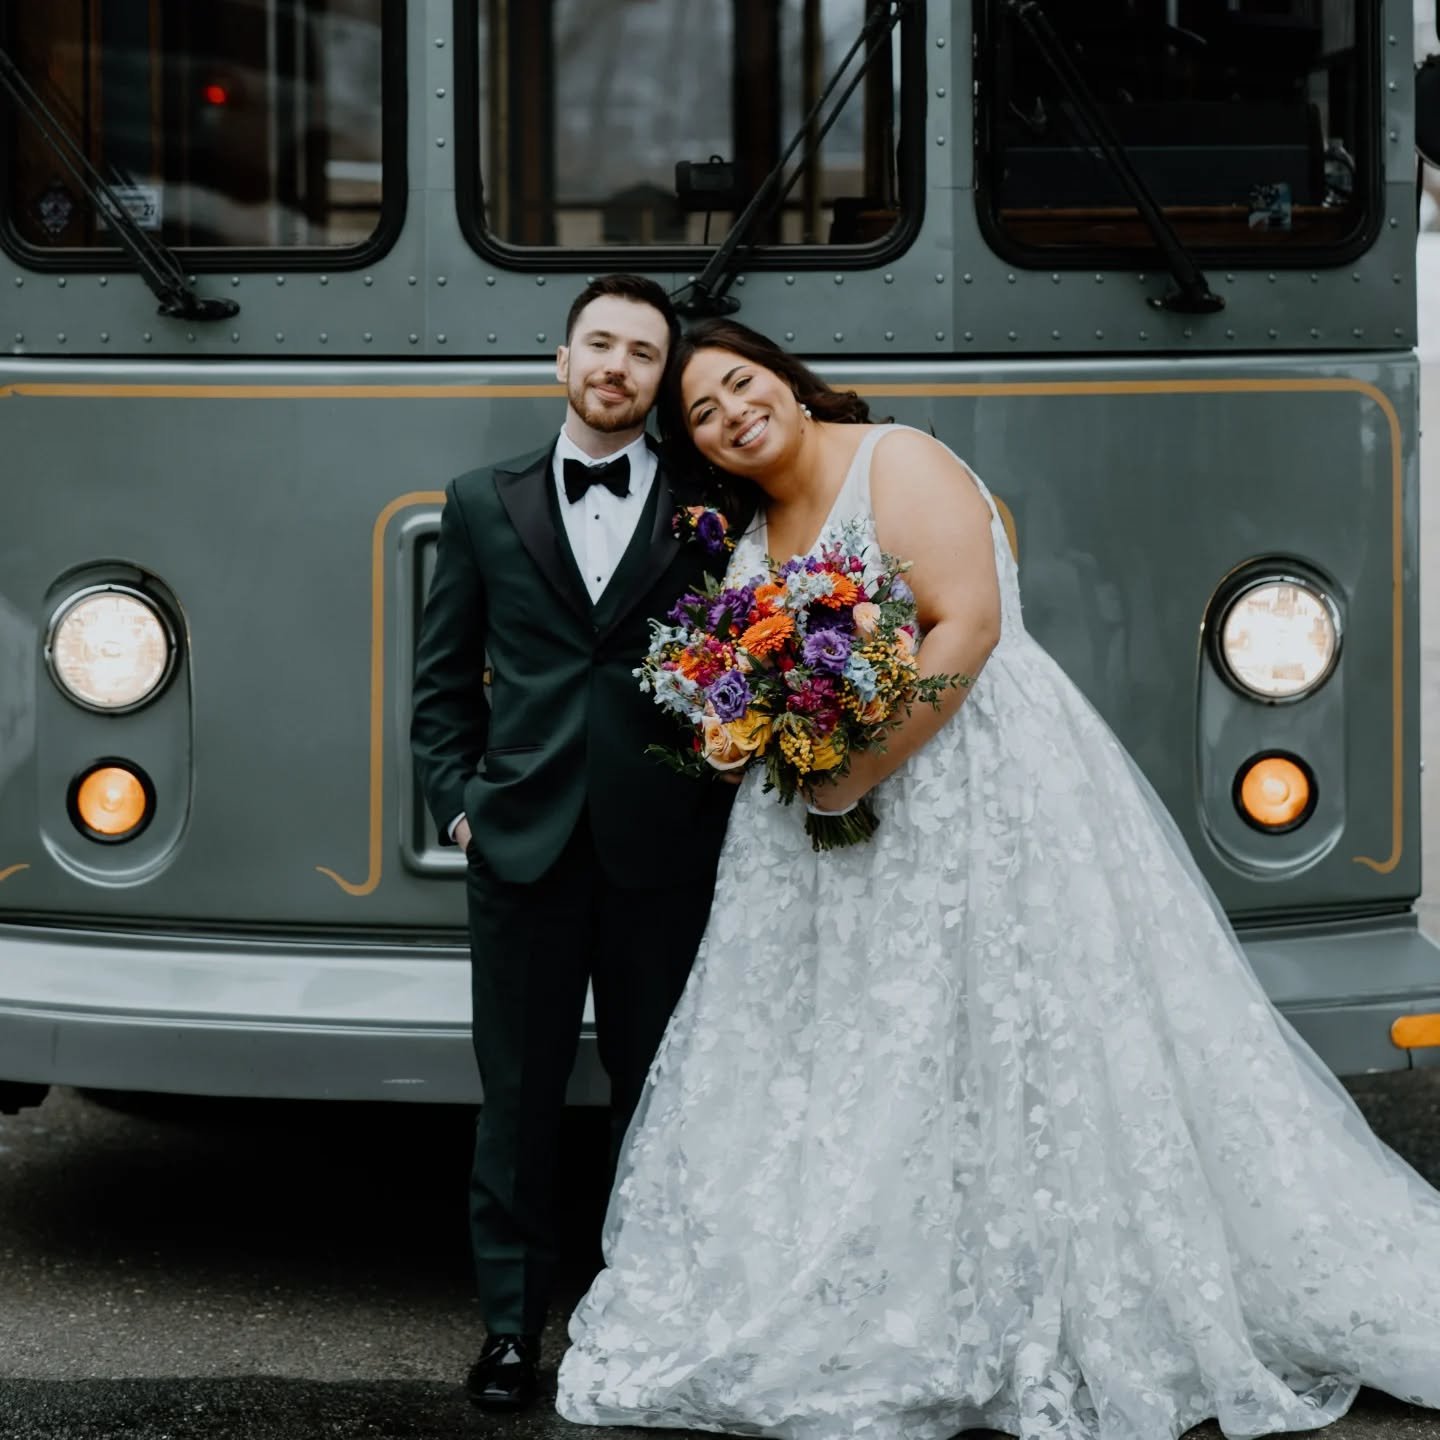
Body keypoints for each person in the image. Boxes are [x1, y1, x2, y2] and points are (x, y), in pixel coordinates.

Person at [555, 319, 1440, 1440]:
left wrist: (851, 773)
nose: (734, 412)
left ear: (784, 377)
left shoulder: (898, 460)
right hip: (822, 839)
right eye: (705, 414)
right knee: (868, 1046)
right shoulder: (756, 532)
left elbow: (966, 627)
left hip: (969, 789)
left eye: (741, 383)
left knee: (1004, 1027)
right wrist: (760, 740)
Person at [410, 276, 735, 1413]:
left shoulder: (709, 507)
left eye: (643, 353)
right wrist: (462, 808)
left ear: (660, 379)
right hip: (522, 849)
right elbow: (440, 686)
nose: (617, 367)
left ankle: (644, 1322)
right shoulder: (481, 501)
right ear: (563, 361)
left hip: (665, 852)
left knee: (660, 1100)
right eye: (600, 344)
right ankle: (510, 1332)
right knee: (518, 1104)